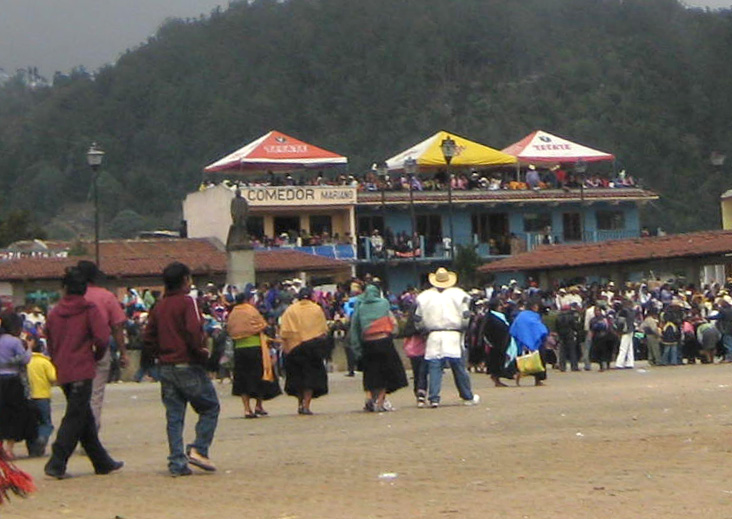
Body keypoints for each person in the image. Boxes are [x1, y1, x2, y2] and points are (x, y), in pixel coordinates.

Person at [44, 267, 123, 479]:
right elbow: (102, 338)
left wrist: (57, 360)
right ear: (84, 289)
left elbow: (50, 341)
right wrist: (96, 356)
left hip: (63, 369)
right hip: (82, 368)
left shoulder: (54, 313)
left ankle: (102, 461)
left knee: (83, 415)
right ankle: (57, 462)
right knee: (75, 416)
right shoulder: (88, 309)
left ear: (64, 288)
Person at [143, 262, 220, 476]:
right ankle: (199, 448)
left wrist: (158, 354)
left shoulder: (159, 306)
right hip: (188, 364)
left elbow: (148, 337)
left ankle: (176, 462)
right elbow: (194, 331)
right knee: (210, 407)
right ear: (185, 280)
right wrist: (202, 353)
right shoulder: (188, 302)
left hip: (166, 366)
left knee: (174, 416)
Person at [415, 267, 480, 408]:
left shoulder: (424, 297)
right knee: (459, 367)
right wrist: (464, 329)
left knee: (434, 368)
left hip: (433, 334)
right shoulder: (459, 295)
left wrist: (423, 331)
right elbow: (466, 315)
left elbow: (418, 318)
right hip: (453, 334)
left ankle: (434, 398)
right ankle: (467, 396)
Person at [76, 260, 128, 431]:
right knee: (95, 395)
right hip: (99, 348)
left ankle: (77, 430)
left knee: (77, 395)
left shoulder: (72, 297)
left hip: (75, 351)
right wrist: (123, 352)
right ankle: (92, 432)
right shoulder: (106, 296)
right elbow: (117, 327)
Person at [350, 284, 408, 412]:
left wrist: (356, 347)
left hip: (368, 344)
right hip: (384, 342)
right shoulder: (384, 303)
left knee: (372, 374)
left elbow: (355, 327)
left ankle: (372, 399)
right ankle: (380, 402)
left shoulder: (361, 306)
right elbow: (391, 322)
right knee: (386, 373)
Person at [227, 289, 281, 418]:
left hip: (239, 348)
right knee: (259, 377)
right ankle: (258, 405)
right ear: (247, 300)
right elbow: (262, 325)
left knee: (242, 379)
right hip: (255, 347)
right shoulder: (251, 310)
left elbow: (230, 329)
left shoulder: (232, 313)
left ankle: (247, 409)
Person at [279, 287, 330, 415]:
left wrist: (286, 348)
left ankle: (299, 403)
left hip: (294, 348)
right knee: (310, 378)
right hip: (312, 347)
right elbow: (323, 330)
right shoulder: (316, 309)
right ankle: (306, 404)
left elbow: (284, 331)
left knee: (297, 377)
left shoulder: (290, 310)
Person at [0, 312, 35, 460]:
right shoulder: (14, 341)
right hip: (12, 381)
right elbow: (24, 359)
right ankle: (9, 449)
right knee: (13, 414)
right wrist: (29, 348)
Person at [26, 338, 57, 457]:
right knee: (45, 422)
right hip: (43, 395)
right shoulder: (45, 362)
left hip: (28, 397)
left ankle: (32, 449)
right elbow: (53, 377)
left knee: (31, 423)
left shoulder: (27, 361)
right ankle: (42, 438)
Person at [510, 299, 550, 386]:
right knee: (536, 361)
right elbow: (540, 328)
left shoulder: (522, 315)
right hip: (533, 342)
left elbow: (514, 328)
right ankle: (536, 380)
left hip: (526, 342)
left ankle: (532, 379)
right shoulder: (531, 316)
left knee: (527, 361)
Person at [479, 298, 518, 386]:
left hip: (504, 342)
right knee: (496, 362)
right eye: (499, 305)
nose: (501, 307)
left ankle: (499, 377)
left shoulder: (501, 316)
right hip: (495, 343)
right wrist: (490, 342)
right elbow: (486, 331)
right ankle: (496, 379)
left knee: (502, 360)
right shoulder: (490, 317)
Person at [556, 303, 582, 372]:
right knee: (572, 351)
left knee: (562, 351)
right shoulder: (571, 316)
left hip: (562, 335)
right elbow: (574, 326)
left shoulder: (558, 317)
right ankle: (574, 366)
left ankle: (562, 367)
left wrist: (559, 334)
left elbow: (557, 327)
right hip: (570, 335)